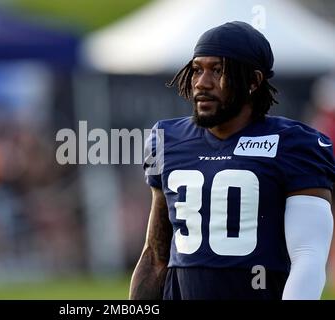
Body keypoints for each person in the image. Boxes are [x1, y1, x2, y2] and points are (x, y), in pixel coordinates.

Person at [129, 21, 335, 300]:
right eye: (197, 69)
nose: (202, 82)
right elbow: (155, 254)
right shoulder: (166, 138)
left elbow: (308, 256)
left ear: (253, 81)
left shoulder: (295, 145)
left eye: (218, 70)